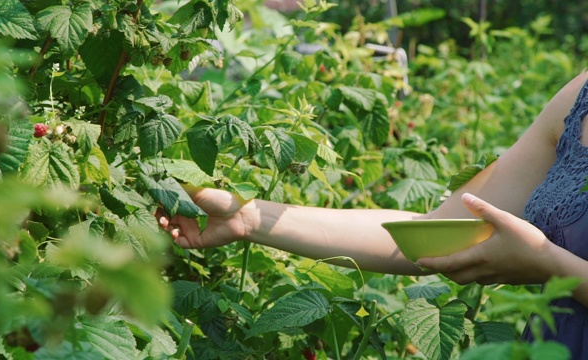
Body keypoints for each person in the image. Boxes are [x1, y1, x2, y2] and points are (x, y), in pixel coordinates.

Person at [158, 71, 588, 358]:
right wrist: (247, 217)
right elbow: (434, 233)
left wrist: (546, 262)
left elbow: (543, 257)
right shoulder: (577, 96)